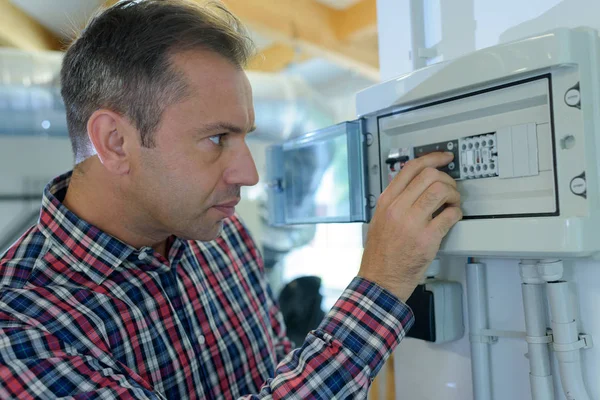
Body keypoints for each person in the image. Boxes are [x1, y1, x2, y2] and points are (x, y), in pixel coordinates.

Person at [0, 1, 462, 398]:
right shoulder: (22, 332)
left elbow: (275, 367)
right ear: (115, 141)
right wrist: (381, 284)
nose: (249, 173)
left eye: (244, 136)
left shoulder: (221, 234)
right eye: (218, 138)